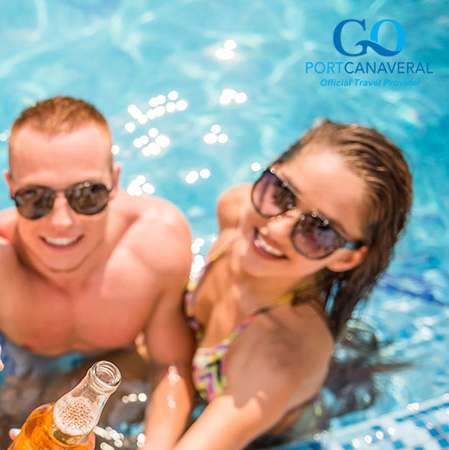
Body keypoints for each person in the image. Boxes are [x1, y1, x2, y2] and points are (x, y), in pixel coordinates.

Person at [0, 96, 197, 449]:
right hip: (13, 380)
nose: (62, 222)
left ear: (115, 181)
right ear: (11, 187)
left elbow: (170, 364)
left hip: (106, 380)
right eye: (36, 198)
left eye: (87, 195)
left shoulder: (157, 244)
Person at [171, 119, 411, 449]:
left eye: (320, 230)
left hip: (270, 434)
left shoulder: (279, 362)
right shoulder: (237, 208)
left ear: (345, 258)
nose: (276, 229)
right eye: (282, 193)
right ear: (272, 169)